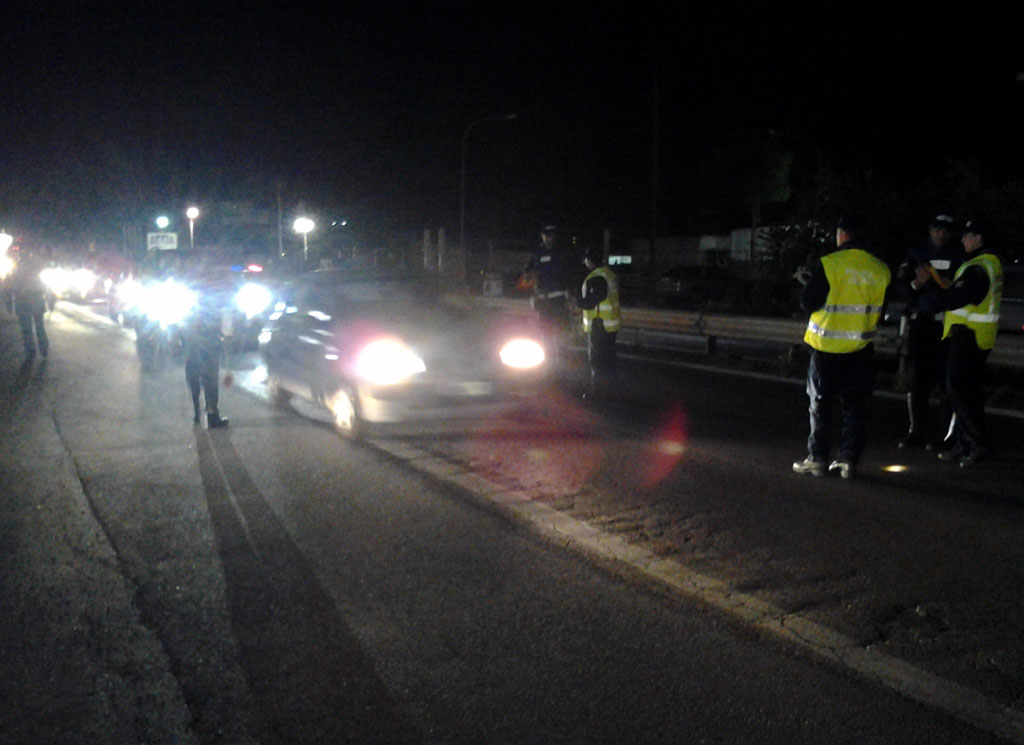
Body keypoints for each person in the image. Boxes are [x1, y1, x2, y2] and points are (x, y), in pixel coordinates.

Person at [792, 216, 891, 479]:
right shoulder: (881, 268)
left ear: (843, 235)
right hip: (861, 348)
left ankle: (818, 459)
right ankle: (848, 460)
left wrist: (809, 284)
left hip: (827, 348)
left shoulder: (830, 263)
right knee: (855, 407)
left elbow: (808, 302)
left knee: (821, 405)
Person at [916, 217, 1002, 467]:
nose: (963, 239)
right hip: (976, 336)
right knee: (967, 392)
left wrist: (930, 286)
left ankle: (977, 444)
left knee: (959, 391)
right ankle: (966, 444)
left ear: (979, 239)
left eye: (968, 235)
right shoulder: (988, 263)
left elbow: (955, 299)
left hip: (969, 336)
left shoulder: (978, 267)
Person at [893, 214, 963, 450]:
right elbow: (902, 287)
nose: (941, 234)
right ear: (930, 230)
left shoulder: (958, 253)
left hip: (947, 325)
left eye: (946, 230)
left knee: (947, 382)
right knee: (919, 380)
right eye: (937, 229)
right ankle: (916, 432)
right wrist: (917, 283)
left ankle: (947, 437)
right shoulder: (917, 252)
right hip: (922, 322)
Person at [182, 275, 231, 428]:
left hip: (193, 350)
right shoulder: (211, 306)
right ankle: (212, 415)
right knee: (210, 383)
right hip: (208, 349)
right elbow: (219, 327)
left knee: (194, 382)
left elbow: (183, 328)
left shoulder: (190, 305)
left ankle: (197, 413)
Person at [519, 225, 572, 366]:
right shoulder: (537, 253)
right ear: (542, 236)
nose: (550, 237)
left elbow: (569, 273)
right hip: (543, 299)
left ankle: (562, 362)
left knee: (561, 331)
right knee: (545, 332)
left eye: (553, 234)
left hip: (558, 298)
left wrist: (570, 292)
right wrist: (531, 294)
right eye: (547, 234)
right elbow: (527, 274)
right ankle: (549, 363)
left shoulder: (562, 252)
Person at [576, 245, 621, 399]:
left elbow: (591, 302)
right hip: (610, 324)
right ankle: (611, 390)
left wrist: (577, 301)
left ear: (589, 260)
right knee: (608, 359)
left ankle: (598, 391)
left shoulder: (596, 277)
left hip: (599, 323)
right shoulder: (609, 274)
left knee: (597, 359)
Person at [10, 247, 50, 362]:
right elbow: (43, 286)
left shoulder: (18, 268)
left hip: (23, 301)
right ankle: (43, 347)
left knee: (26, 328)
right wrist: (49, 299)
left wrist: (10, 300)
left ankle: (31, 351)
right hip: (36, 300)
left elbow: (13, 285)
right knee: (39, 326)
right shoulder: (36, 267)